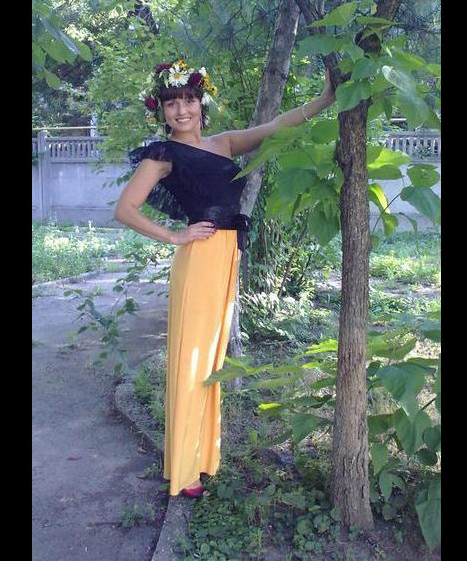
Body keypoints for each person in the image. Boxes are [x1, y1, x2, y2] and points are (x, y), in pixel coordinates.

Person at [114, 59, 335, 498]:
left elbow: (276, 125)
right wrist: (176, 235)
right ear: (161, 111)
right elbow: (125, 209)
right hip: (199, 259)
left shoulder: (224, 144)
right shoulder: (162, 155)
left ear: (202, 103)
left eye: (188, 100)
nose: (181, 110)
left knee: (209, 363)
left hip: (225, 259)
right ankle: (184, 471)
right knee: (192, 361)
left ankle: (200, 457)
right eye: (172, 103)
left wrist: (325, 99)